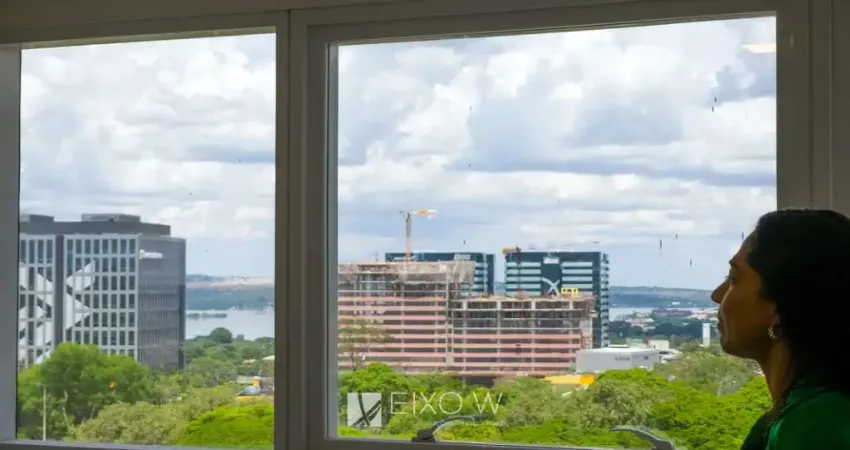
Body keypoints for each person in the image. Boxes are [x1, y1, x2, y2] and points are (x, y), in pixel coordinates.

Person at [711, 208, 850, 450]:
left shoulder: (816, 424)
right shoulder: (806, 413)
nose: (717, 295)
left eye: (734, 278)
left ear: (779, 305)